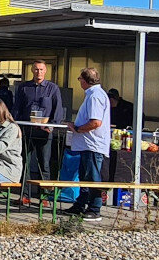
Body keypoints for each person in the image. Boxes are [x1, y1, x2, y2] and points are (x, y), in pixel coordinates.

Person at [64, 66, 112, 221]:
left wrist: (77, 129)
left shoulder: (95, 96)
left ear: (84, 81)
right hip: (87, 144)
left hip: (93, 144)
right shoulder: (93, 94)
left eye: (80, 79)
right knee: (85, 177)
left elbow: (95, 122)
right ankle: (80, 204)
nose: (79, 82)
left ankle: (94, 208)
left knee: (92, 177)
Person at [14, 60, 66, 183]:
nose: (39, 72)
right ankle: (24, 191)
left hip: (44, 132)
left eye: (41, 69)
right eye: (36, 69)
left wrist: (51, 127)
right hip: (27, 130)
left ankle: (44, 193)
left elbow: (57, 109)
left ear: (45, 71)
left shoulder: (53, 88)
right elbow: (17, 108)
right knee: (24, 162)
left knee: (44, 164)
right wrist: (16, 126)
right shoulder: (23, 87)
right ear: (32, 70)